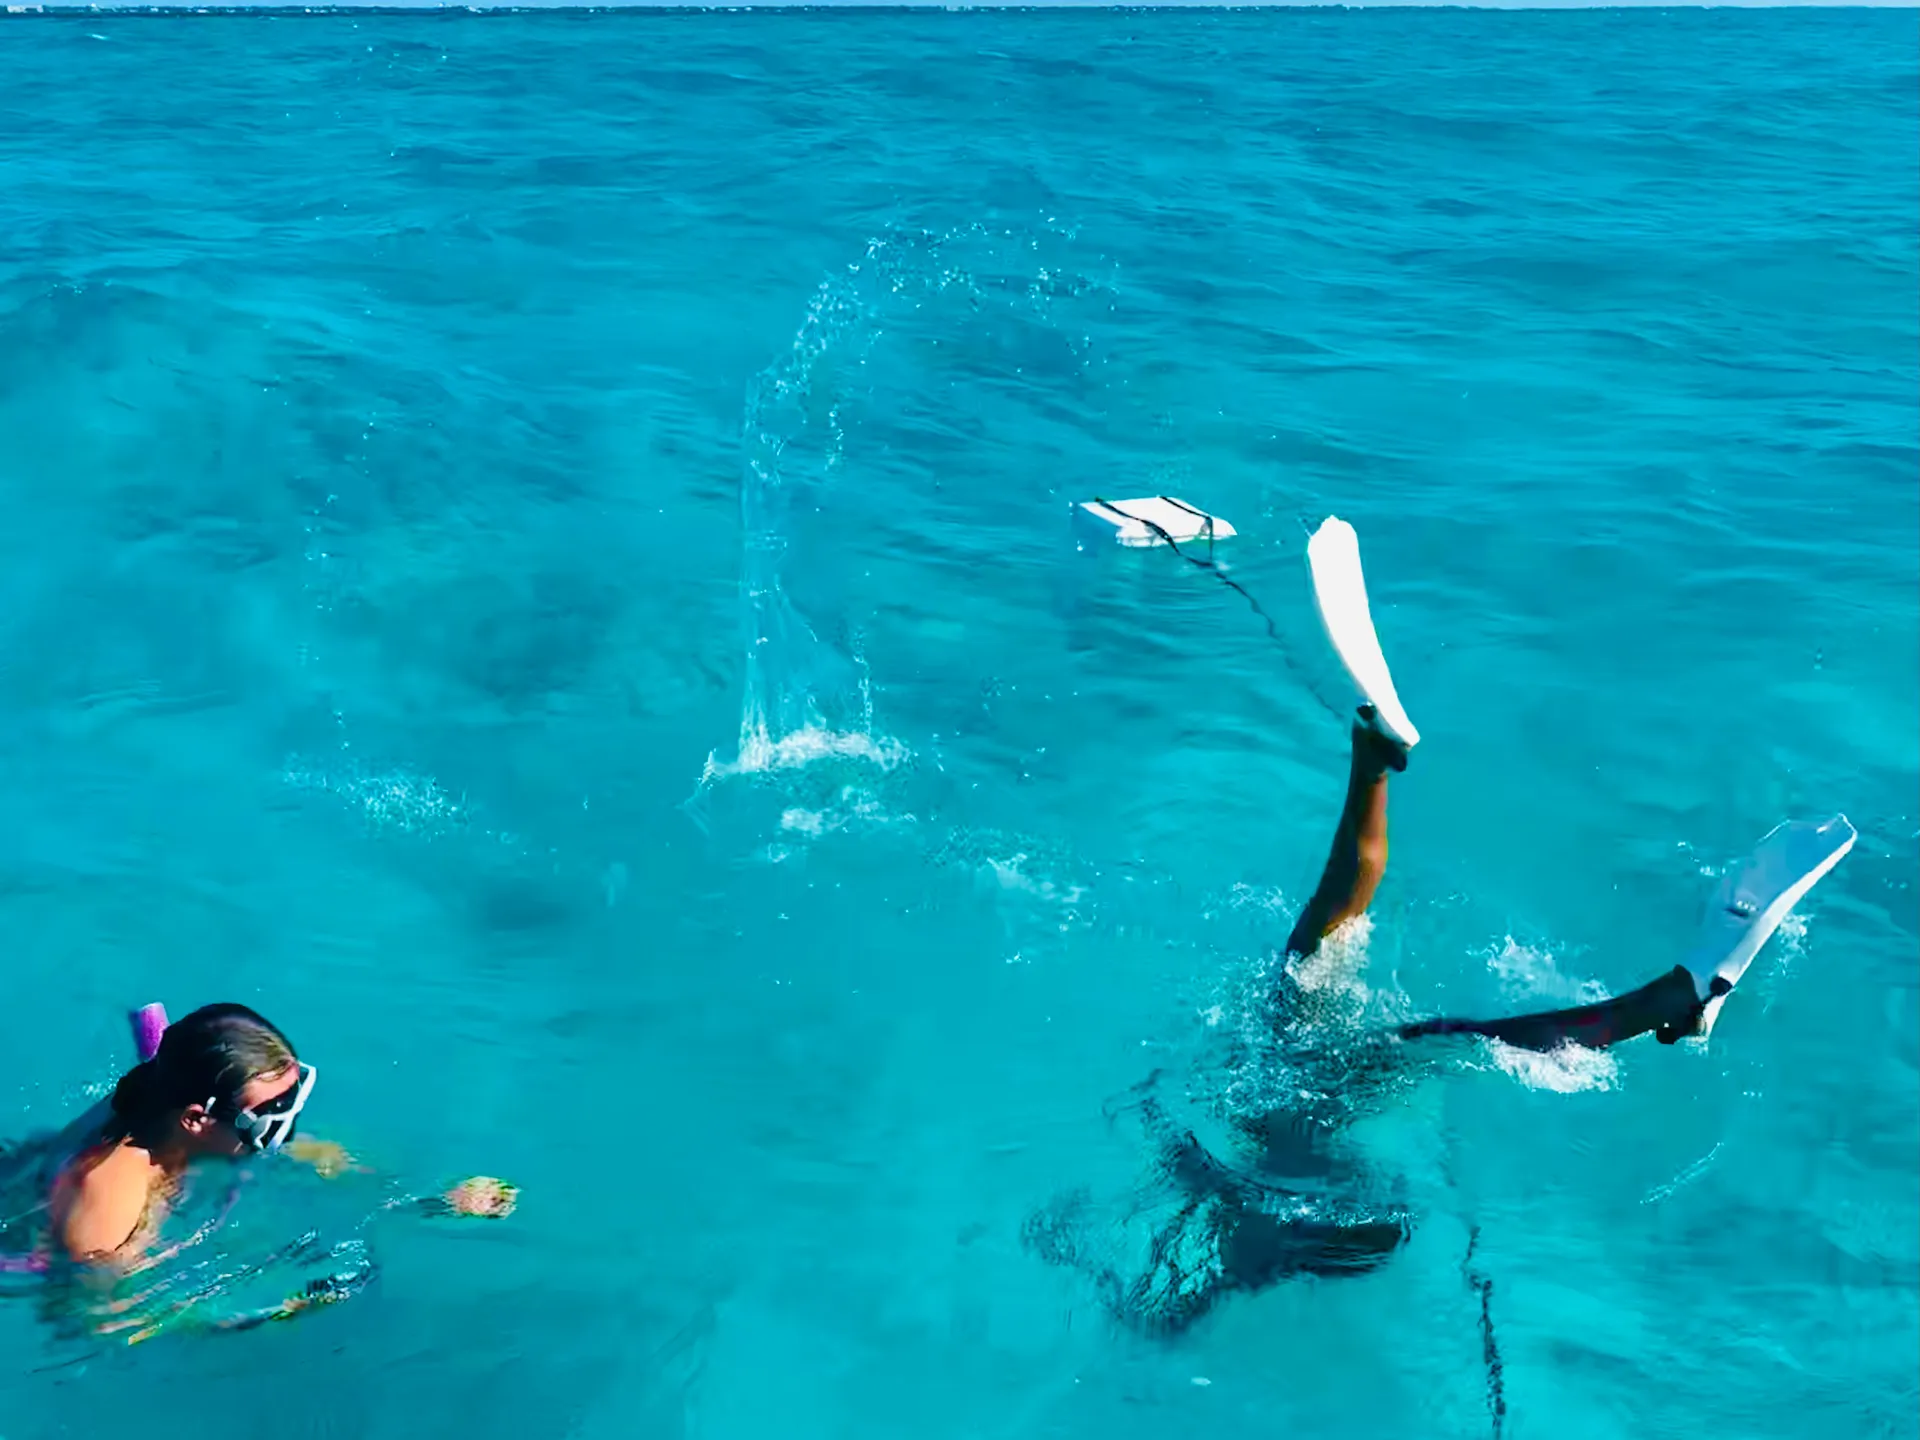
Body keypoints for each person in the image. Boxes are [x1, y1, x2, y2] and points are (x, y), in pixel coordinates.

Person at [1027, 703, 1719, 1333]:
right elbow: (1188, 1222)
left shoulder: (1265, 1249)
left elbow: (1173, 1304)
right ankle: (1370, 764)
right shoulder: (1261, 1232)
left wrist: (1086, 1252)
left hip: (1301, 1082)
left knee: (1443, 1018)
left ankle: (1659, 1006)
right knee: (1348, 941)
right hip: (1290, 1072)